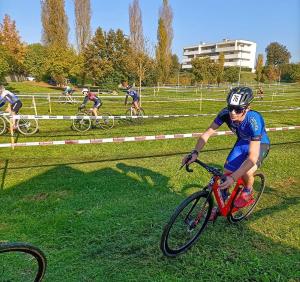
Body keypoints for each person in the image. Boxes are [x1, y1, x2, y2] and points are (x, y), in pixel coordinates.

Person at [182, 87, 270, 220]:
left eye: (238, 109)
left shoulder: (254, 120)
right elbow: (207, 133)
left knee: (247, 171)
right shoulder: (224, 113)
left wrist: (233, 178)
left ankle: (248, 190)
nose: (233, 113)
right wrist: (195, 152)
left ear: (247, 108)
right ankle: (223, 204)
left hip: (260, 144)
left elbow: (252, 158)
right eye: (230, 108)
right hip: (242, 143)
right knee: (226, 172)